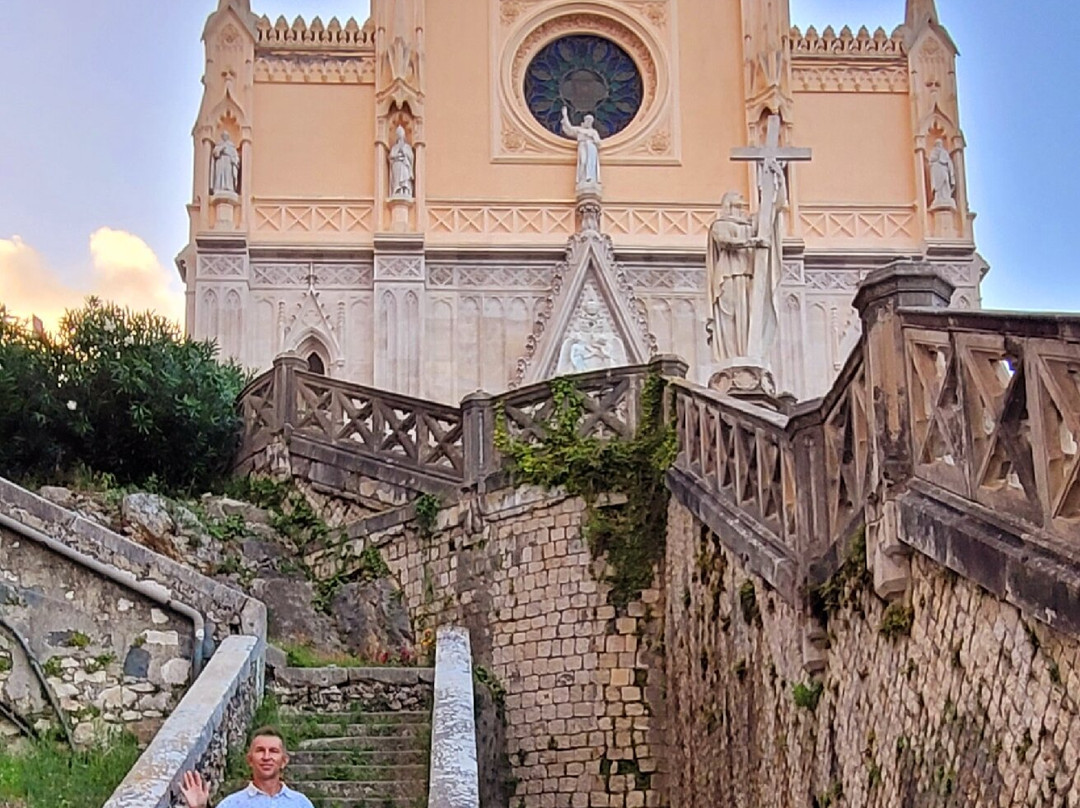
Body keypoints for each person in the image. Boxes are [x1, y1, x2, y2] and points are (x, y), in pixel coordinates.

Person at [180, 726, 314, 808]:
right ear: (250, 759)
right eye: (260, 750)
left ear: (284, 761)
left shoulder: (301, 803)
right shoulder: (231, 805)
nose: (266, 757)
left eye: (273, 751)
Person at [560, 106, 601, 189]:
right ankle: (582, 179)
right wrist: (565, 115)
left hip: (591, 147)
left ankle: (590, 178)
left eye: (590, 121)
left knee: (591, 162)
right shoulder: (579, 130)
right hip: (582, 145)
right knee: (583, 161)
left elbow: (598, 142)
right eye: (587, 120)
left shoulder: (593, 132)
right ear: (584, 121)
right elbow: (569, 128)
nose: (588, 122)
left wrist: (592, 137)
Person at [928, 138, 956, 209]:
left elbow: (948, 161)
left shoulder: (944, 152)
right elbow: (931, 160)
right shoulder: (934, 152)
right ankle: (938, 197)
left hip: (944, 169)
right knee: (938, 186)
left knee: (946, 181)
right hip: (937, 170)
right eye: (938, 144)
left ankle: (946, 197)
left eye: (940, 143)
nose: (939, 145)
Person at [389, 125, 415, 199]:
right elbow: (391, 156)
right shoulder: (395, 147)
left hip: (405, 165)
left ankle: (406, 191)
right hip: (397, 165)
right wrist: (397, 155)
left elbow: (411, 156)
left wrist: (404, 152)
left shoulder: (407, 147)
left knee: (405, 178)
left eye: (401, 133)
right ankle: (397, 190)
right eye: (398, 133)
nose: (400, 135)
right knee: (397, 181)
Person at [210, 132, 240, 196]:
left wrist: (234, 160)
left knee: (228, 174)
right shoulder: (219, 145)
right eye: (224, 135)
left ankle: (229, 187)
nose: (225, 137)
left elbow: (235, 156)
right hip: (220, 161)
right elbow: (215, 153)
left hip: (228, 162)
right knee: (220, 174)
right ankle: (219, 187)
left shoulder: (231, 146)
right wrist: (221, 149)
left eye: (226, 135)